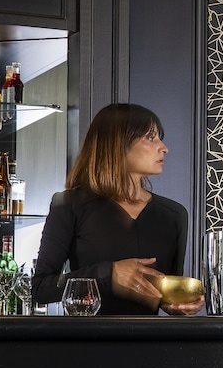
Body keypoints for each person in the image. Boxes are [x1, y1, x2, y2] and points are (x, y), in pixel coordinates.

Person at [32, 103, 204, 315]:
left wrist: (178, 303)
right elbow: (41, 288)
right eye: (151, 138)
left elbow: (163, 294)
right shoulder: (69, 205)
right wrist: (109, 274)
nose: (164, 148)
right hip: (87, 336)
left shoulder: (174, 215)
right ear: (118, 144)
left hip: (153, 337)